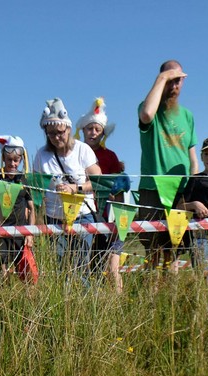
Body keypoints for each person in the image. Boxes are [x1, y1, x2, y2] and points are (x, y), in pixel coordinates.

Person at [137, 60, 199, 271]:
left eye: (178, 80)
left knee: (173, 249)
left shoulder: (188, 116)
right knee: (152, 250)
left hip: (180, 192)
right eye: (169, 80)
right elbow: (146, 115)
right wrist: (163, 78)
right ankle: (150, 299)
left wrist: (194, 189)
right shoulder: (148, 107)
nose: (173, 86)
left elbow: (192, 158)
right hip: (152, 189)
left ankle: (168, 299)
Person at [33, 98, 101, 281]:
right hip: (53, 218)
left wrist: (76, 188)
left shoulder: (83, 150)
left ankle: (85, 304)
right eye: (51, 134)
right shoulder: (41, 155)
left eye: (60, 132)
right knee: (60, 266)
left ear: (69, 129)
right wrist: (38, 219)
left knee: (80, 264)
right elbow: (36, 190)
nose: (56, 137)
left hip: (82, 215)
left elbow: (99, 182)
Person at [78, 97, 125, 292]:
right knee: (83, 257)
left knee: (103, 258)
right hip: (82, 210)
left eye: (97, 129)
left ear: (103, 133)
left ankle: (108, 300)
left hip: (106, 211)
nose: (93, 133)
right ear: (83, 131)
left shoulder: (110, 156)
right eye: (89, 128)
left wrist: (119, 213)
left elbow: (118, 187)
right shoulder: (76, 152)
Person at [175, 136, 208, 277]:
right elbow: (179, 207)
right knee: (203, 273)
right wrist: (194, 204)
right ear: (201, 156)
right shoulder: (195, 179)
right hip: (199, 235)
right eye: (206, 154)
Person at [0, 136, 36, 279]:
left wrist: (30, 233)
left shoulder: (24, 179)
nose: (13, 163)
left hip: (20, 231)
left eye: (16, 160)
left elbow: (32, 209)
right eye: (9, 160)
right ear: (3, 158)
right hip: (2, 231)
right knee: (2, 272)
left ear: (21, 160)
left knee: (24, 272)